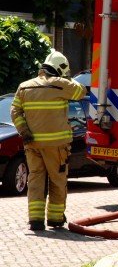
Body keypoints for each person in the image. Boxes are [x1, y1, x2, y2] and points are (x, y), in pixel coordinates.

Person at [10, 50, 86, 231]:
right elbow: (81, 91)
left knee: (35, 180)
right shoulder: (60, 84)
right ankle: (55, 218)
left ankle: (35, 220)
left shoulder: (24, 87)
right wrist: (67, 78)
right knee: (57, 180)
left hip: (32, 144)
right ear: (60, 69)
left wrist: (24, 131)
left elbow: (15, 111)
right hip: (56, 146)